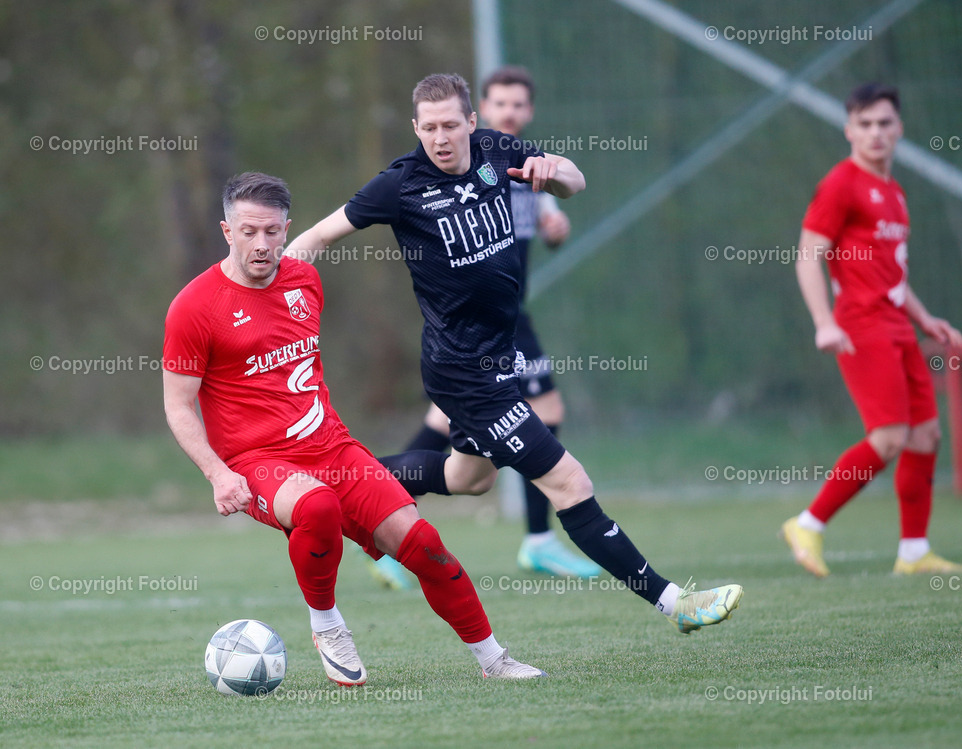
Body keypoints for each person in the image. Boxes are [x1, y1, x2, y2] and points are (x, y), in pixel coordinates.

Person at [285, 73, 743, 635]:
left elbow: (575, 181)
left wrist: (557, 175)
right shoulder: (399, 185)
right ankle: (678, 605)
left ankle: (337, 486)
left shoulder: (498, 150)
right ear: (415, 129)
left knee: (468, 477)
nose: (440, 137)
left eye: (451, 124)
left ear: (472, 123)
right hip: (463, 372)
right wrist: (273, 294)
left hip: (498, 356)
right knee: (569, 483)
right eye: (428, 128)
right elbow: (316, 237)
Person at [163, 171, 546, 685]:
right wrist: (217, 474)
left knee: (426, 545)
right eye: (249, 231)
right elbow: (179, 405)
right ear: (227, 232)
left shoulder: (304, 281)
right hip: (256, 464)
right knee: (317, 506)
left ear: (287, 229)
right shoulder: (194, 306)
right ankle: (327, 624)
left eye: (273, 232)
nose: (262, 244)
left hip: (334, 449)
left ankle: (494, 661)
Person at [400, 65, 599, 580]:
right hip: (477, 324)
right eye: (500, 104)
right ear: (480, 112)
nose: (509, 112)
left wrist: (555, 224)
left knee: (453, 435)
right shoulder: (473, 160)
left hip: (504, 319)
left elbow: (554, 214)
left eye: (519, 105)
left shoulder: (523, 163)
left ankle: (384, 512)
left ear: (528, 111)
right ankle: (536, 539)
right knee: (542, 408)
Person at [783, 83, 962, 578]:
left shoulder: (894, 192)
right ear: (848, 130)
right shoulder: (841, 184)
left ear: (899, 128)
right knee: (888, 437)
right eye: (864, 124)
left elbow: (893, 277)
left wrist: (925, 318)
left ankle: (914, 552)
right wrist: (824, 322)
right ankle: (808, 524)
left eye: (884, 123)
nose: (875, 133)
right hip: (860, 326)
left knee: (926, 435)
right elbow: (808, 257)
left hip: (898, 327)